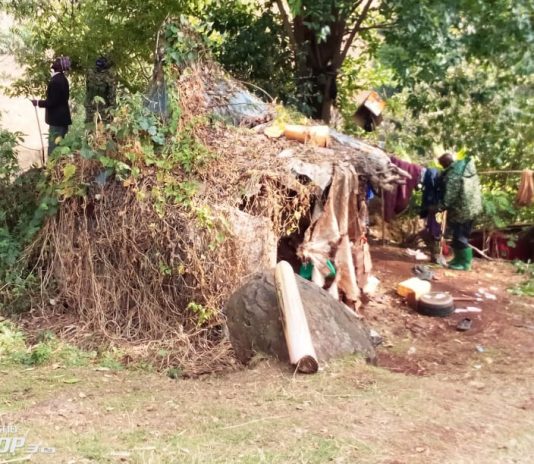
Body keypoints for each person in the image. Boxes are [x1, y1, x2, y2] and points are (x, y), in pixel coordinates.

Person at [437, 152, 483, 270]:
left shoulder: (454, 173)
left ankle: (465, 263)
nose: (442, 167)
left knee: (460, 237)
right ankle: (458, 259)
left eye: (442, 164)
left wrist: (441, 206)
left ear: (446, 162)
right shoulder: (462, 168)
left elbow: (450, 194)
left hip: (462, 210)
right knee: (458, 235)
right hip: (470, 208)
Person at [32, 56, 72, 155]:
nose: (55, 62)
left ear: (60, 67)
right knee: (59, 145)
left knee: (54, 148)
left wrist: (38, 103)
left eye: (58, 61)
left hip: (57, 121)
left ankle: (52, 164)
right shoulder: (62, 79)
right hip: (61, 119)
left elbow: (52, 102)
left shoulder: (56, 81)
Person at [84, 56, 116, 125]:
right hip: (101, 109)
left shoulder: (90, 73)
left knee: (91, 127)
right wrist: (113, 109)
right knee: (103, 129)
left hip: (91, 106)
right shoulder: (109, 77)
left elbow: (87, 89)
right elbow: (112, 95)